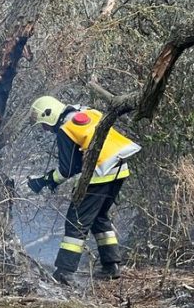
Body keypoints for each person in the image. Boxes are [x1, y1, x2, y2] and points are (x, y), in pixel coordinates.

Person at [27, 96, 140, 286]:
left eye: (44, 125)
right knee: (99, 217)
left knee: (76, 221)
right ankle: (111, 265)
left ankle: (64, 271)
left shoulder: (65, 129)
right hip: (120, 169)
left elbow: (69, 168)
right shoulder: (87, 112)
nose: (45, 130)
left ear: (50, 115)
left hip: (100, 173)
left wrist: (44, 180)